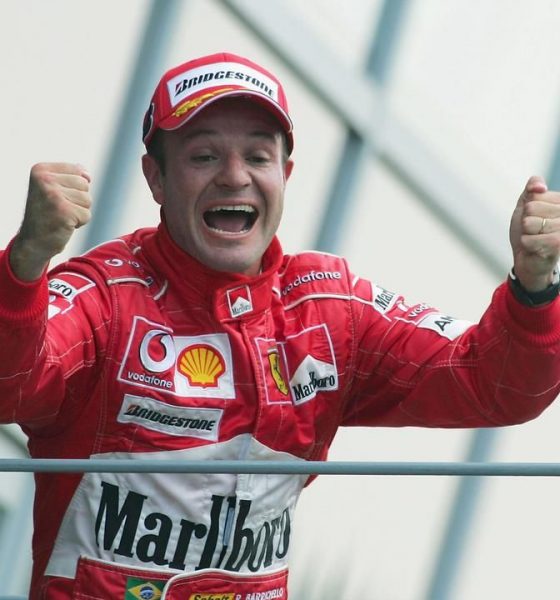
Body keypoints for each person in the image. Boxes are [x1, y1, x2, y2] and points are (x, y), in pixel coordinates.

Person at [1, 51, 560, 600]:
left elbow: (494, 385)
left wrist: (535, 288)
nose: (234, 176)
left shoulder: (330, 309)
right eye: (204, 156)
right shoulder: (104, 297)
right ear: (156, 178)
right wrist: (25, 262)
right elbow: (10, 389)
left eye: (258, 156)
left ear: (285, 175)